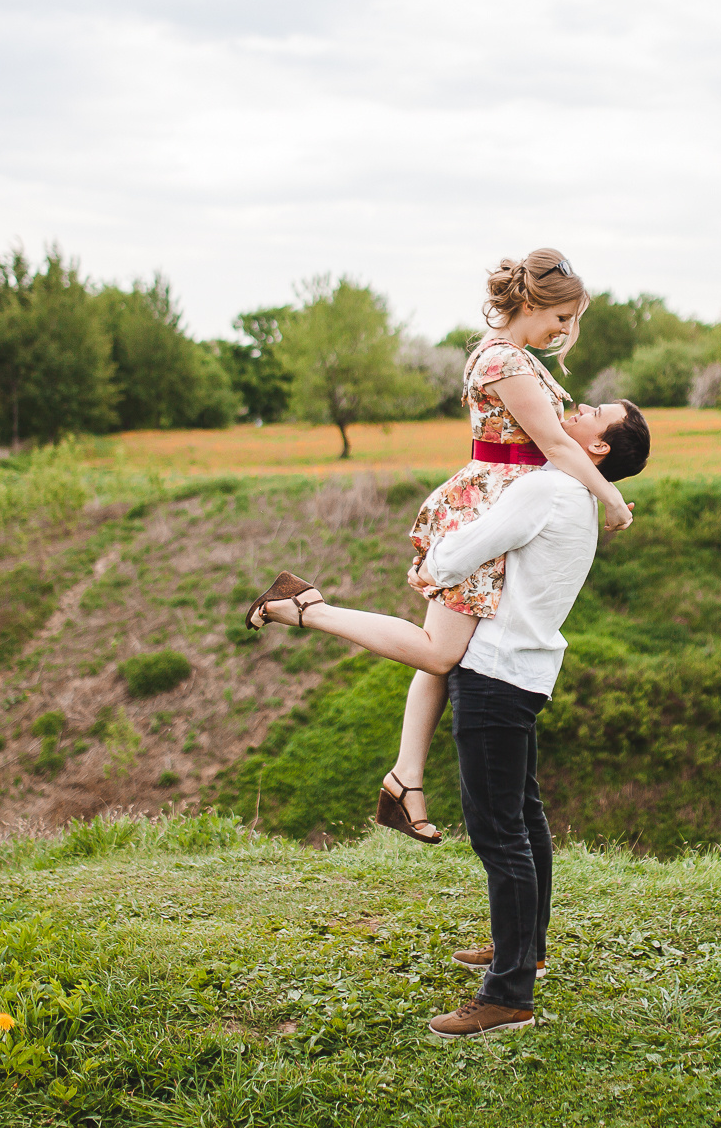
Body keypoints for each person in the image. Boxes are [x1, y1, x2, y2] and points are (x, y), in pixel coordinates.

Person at [246, 397, 651, 1038]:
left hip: (492, 676)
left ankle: (509, 994)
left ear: (598, 448)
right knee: (523, 817)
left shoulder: (546, 489)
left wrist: (438, 554)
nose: (575, 408)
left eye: (593, 412)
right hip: (524, 672)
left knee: (499, 834)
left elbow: (458, 556)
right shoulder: (570, 499)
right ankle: (528, 951)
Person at [251, 248, 634, 847]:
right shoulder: (503, 359)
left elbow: (559, 449)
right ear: (532, 303)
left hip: (506, 509)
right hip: (487, 510)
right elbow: (558, 446)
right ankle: (305, 607)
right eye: (561, 317)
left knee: (446, 654)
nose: (565, 331)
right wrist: (609, 500)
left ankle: (405, 779)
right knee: (437, 653)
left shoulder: (517, 357)